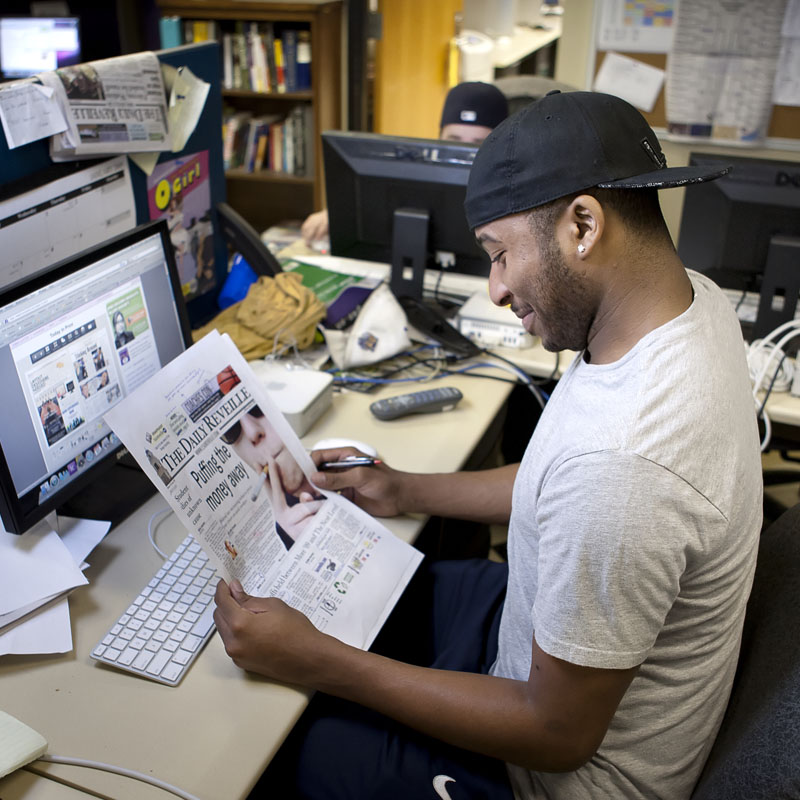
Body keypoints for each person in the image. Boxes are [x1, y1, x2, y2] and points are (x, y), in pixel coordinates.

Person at [213, 91, 762, 799]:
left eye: (500, 255)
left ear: (584, 225)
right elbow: (563, 480)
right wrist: (405, 489)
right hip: (539, 648)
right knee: (386, 596)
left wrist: (319, 661)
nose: (497, 290)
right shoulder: (689, 303)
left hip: (557, 774)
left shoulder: (625, 469)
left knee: (295, 751)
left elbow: (555, 735)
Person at [299, 81, 509, 246]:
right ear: (439, 137)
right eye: (453, 141)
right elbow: (381, 205)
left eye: (478, 144)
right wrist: (338, 217)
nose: (464, 155)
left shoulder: (514, 196)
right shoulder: (421, 174)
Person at [221, 405, 324, 547]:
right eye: (230, 429)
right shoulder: (276, 532)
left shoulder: (342, 461)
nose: (252, 433)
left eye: (256, 407)